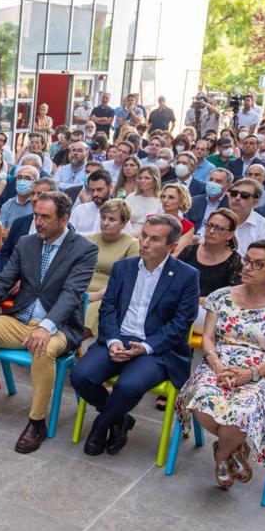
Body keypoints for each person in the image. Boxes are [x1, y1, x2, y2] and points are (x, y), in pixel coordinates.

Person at [0, 192, 100, 452]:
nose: (39, 222)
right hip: (21, 319)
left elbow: (71, 294)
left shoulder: (84, 249)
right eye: (36, 215)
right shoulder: (26, 242)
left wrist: (46, 327)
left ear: (64, 218)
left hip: (60, 326)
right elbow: (3, 280)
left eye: (45, 217)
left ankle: (36, 422)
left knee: (42, 347)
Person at [175, 240, 265, 489]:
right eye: (247, 260)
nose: (248, 267)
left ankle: (222, 454)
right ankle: (235, 447)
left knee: (243, 413)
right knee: (201, 399)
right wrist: (216, 365)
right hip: (218, 364)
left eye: (259, 264)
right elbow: (208, 338)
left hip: (264, 372)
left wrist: (249, 374)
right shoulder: (221, 296)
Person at [70, 215, 200, 456]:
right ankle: (119, 418)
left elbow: (181, 324)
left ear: (171, 246)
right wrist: (113, 340)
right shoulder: (124, 268)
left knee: (128, 387)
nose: (145, 243)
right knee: (80, 376)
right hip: (118, 338)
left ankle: (101, 425)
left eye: (154, 239)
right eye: (143, 235)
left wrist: (146, 347)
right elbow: (108, 308)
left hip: (157, 349)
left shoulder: (186, 276)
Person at [178, 207, 243, 332]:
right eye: (209, 226)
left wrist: (200, 300)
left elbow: (232, 297)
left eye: (218, 228)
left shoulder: (235, 261)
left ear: (230, 234)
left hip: (212, 313)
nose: (211, 231)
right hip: (183, 305)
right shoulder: (190, 251)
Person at [84, 199, 140, 335]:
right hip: (81, 290)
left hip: (108, 295)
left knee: (95, 310)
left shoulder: (132, 244)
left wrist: (97, 295)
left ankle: (68, 345)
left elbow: (125, 279)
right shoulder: (88, 239)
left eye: (112, 219)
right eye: (103, 217)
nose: (105, 222)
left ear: (124, 222)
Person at [196, 178, 265, 256]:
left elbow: (262, 258)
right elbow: (202, 244)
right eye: (234, 193)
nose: (237, 198)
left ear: (255, 202)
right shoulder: (215, 218)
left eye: (244, 195)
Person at [70, 170, 120, 235]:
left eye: (99, 190)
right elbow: (69, 235)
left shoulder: (119, 211)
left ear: (110, 187)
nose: (95, 194)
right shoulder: (79, 210)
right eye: (92, 190)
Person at [125, 165, 163, 234]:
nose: (142, 181)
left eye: (147, 178)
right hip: (130, 234)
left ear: (155, 181)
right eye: (140, 178)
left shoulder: (162, 199)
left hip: (153, 235)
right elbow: (123, 220)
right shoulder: (131, 197)